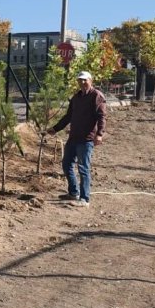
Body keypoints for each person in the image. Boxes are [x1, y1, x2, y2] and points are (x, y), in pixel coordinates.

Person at [50, 70, 106, 206]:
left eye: (84, 80)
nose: (82, 82)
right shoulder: (76, 98)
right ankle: (73, 193)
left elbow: (102, 116)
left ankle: (84, 199)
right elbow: (68, 116)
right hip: (73, 137)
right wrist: (55, 128)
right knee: (66, 164)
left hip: (86, 139)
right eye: (80, 80)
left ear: (90, 81)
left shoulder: (96, 96)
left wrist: (99, 134)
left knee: (83, 168)